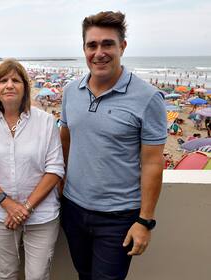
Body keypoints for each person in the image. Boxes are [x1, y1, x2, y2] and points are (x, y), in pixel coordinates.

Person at [59, 11, 167, 280]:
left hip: (118, 218)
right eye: (92, 45)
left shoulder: (148, 97)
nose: (99, 53)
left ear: (122, 47)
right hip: (73, 209)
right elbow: (65, 139)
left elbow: (154, 162)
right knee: (84, 274)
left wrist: (145, 221)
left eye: (107, 44)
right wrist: (61, 192)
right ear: (84, 49)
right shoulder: (71, 91)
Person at [0, 59, 64, 280]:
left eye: (15, 80)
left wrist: (26, 207)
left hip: (42, 216)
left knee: (38, 276)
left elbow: (55, 169)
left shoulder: (46, 122)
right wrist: (8, 204)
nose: (9, 85)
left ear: (25, 86)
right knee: (5, 274)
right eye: (3, 80)